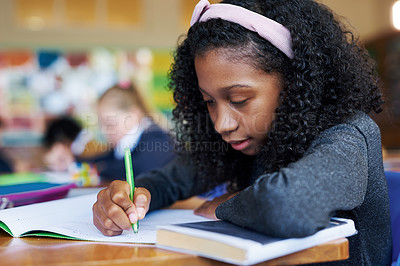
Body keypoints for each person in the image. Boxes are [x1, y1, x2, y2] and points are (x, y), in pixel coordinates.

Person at [92, 0, 392, 265]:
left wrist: (228, 203)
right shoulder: (248, 141)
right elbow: (168, 181)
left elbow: (285, 204)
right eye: (209, 101)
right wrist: (132, 195)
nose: (222, 124)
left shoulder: (351, 135)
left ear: (294, 82)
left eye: (239, 100)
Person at [88, 84, 176, 182]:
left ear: (134, 115)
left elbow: (136, 169)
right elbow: (105, 159)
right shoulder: (125, 144)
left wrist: (97, 170)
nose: (104, 131)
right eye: (102, 125)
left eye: (110, 124)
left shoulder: (157, 138)